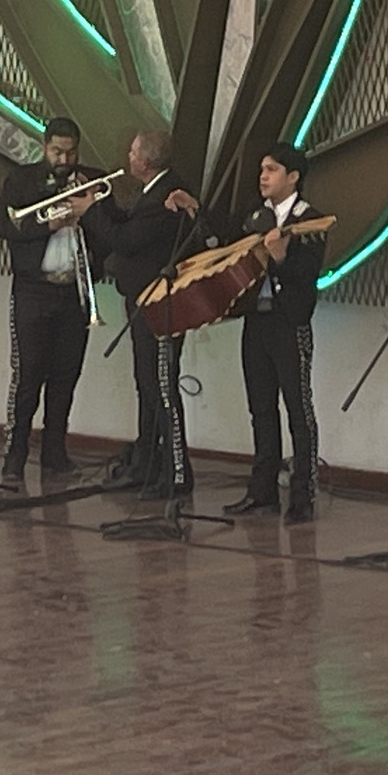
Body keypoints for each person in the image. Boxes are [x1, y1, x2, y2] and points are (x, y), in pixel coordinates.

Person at [87, 129, 202, 502]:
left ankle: (176, 471)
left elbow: (126, 241)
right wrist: (101, 201)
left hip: (160, 307)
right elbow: (128, 223)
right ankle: (146, 464)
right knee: (147, 384)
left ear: (147, 161)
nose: (129, 156)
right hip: (142, 303)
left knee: (161, 388)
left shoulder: (166, 196)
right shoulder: (153, 192)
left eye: (134, 152)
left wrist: (89, 211)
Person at [225, 139, 326, 522]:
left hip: (289, 322)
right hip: (257, 320)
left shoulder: (309, 219)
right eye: (262, 169)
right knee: (261, 407)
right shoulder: (254, 215)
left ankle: (303, 493)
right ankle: (262, 490)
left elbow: (308, 272)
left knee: (298, 407)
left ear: (293, 176)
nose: (263, 176)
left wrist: (281, 259)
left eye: (272, 170)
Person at [0, 119, 98, 478]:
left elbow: (110, 228)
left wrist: (89, 211)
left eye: (70, 152)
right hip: (33, 290)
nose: (64, 159)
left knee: (65, 376)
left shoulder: (90, 182)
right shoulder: (22, 180)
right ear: (44, 148)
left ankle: (55, 452)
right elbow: (5, 226)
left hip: (73, 291)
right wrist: (50, 224)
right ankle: (15, 453)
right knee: (28, 376)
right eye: (57, 151)